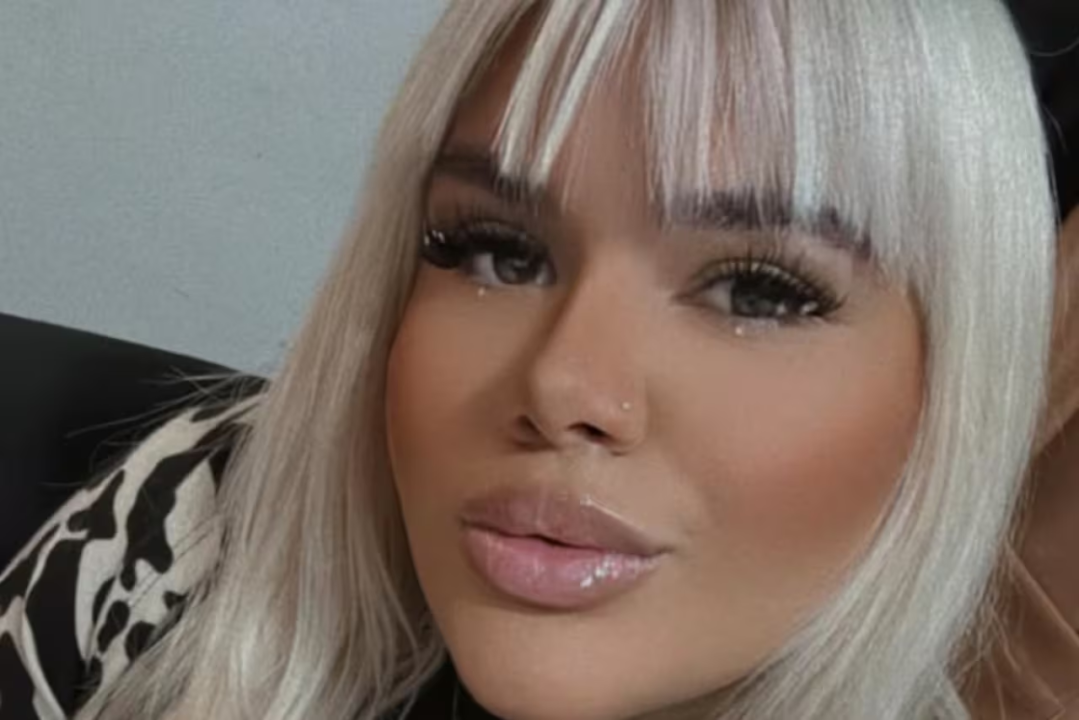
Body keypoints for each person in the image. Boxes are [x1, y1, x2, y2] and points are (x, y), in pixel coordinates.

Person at [0, 1, 1063, 718]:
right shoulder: (198, 525)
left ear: (951, 392)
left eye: (757, 292)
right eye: (494, 252)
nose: (562, 387)